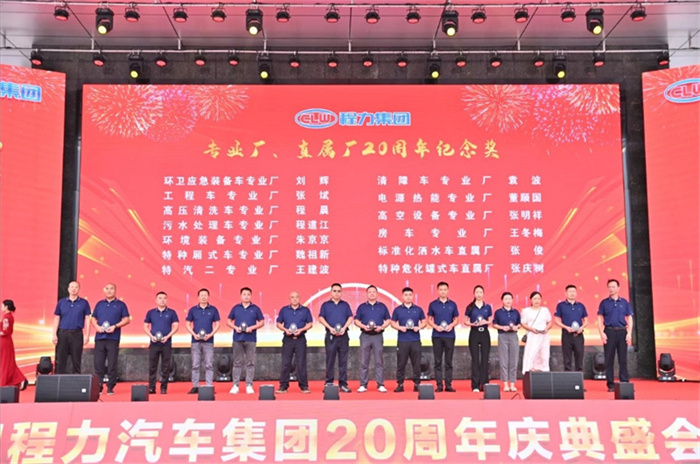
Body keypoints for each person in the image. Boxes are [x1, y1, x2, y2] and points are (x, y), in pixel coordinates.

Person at [91, 283, 131, 395]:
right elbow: (93, 318)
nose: (109, 291)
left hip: (113, 338)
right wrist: (97, 327)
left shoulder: (121, 304)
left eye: (111, 289)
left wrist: (115, 326)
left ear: (115, 290)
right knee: (98, 363)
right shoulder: (99, 304)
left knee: (112, 363)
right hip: (99, 338)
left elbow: (127, 319)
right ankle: (98, 386)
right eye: (107, 289)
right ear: (104, 290)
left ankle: (110, 386)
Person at [597, 279, 634, 392]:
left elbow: (629, 317)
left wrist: (629, 333)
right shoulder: (604, 303)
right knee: (609, 359)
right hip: (609, 332)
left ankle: (624, 382)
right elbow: (599, 318)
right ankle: (611, 384)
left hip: (622, 332)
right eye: (609, 287)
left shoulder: (624, 302)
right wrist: (602, 333)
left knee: (623, 359)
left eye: (613, 287)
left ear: (618, 288)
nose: (611, 289)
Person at [226, 287, 265, 395]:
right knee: (237, 362)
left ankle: (249, 385)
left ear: (251, 296)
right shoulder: (236, 308)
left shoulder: (255, 309)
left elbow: (262, 322)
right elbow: (228, 321)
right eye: (244, 294)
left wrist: (252, 328)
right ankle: (235, 385)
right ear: (241, 296)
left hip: (251, 339)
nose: (246, 296)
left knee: (250, 362)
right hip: (237, 338)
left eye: (248, 294)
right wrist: (235, 328)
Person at [354, 285, 391, 393]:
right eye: (370, 292)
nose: (372, 294)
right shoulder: (362, 307)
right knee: (364, 361)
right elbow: (356, 320)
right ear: (367, 294)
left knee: (379, 361)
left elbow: (388, 320)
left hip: (377, 336)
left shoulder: (382, 306)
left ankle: (380, 384)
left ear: (377, 293)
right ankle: (363, 385)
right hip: (365, 335)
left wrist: (382, 327)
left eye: (374, 292)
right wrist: (363, 326)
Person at [319, 283, 354, 393]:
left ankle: (343, 384)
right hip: (331, 336)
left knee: (343, 361)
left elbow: (350, 317)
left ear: (341, 293)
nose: (337, 293)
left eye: (339, 291)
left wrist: (344, 328)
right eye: (334, 291)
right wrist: (330, 328)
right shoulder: (325, 305)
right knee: (330, 360)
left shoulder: (345, 305)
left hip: (343, 336)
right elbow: (321, 318)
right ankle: (329, 383)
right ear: (331, 292)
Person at [391, 287, 426, 393]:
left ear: (413, 296)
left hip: (415, 340)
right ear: (402, 296)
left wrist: (419, 327)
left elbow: (424, 322)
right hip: (402, 340)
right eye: (406, 295)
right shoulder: (397, 310)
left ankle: (417, 384)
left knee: (416, 363)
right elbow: (392, 323)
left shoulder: (418, 309)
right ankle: (400, 384)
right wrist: (400, 328)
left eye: (410, 295)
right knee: (401, 364)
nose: (408, 297)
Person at [276, 291, 313, 393]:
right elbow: (278, 323)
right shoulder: (284, 310)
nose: (295, 299)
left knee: (301, 363)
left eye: (296, 297)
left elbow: (310, 324)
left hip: (300, 339)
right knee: (285, 363)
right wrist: (285, 330)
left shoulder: (305, 310)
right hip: (288, 339)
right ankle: (283, 386)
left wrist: (301, 330)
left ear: (299, 298)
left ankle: (304, 386)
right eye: (292, 297)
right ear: (289, 299)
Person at [185, 288, 220, 394]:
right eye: (201, 295)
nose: (203, 297)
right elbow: (187, 324)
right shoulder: (193, 310)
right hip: (195, 341)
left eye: (205, 295)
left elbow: (217, 324)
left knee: (209, 364)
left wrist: (210, 335)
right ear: (198, 297)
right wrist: (194, 334)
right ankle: (195, 386)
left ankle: (209, 386)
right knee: (195, 365)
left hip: (208, 341)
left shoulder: (213, 310)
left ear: (208, 297)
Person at [143, 291, 179, 394]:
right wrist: (151, 336)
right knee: (152, 366)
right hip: (154, 343)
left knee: (166, 367)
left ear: (167, 300)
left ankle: (164, 387)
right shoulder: (151, 312)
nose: (162, 300)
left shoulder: (172, 312)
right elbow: (145, 326)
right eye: (160, 298)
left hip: (166, 343)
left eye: (164, 298)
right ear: (156, 300)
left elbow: (176, 326)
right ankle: (151, 387)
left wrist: (168, 336)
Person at [53, 281, 91, 374]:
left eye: (76, 287)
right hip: (63, 333)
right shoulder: (61, 302)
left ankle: (76, 379)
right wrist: (54, 334)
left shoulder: (84, 303)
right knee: (61, 359)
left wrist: (87, 335)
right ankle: (59, 379)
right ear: (68, 289)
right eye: (72, 287)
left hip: (77, 334)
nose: (74, 289)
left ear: (79, 289)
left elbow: (87, 318)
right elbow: (57, 318)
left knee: (76, 359)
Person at [427, 281, 459, 392]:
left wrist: (451, 326)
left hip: (450, 335)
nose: (443, 291)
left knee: (449, 361)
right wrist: (436, 327)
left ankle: (448, 385)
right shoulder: (433, 304)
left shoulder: (453, 304)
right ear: (438, 290)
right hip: (437, 335)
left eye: (445, 289)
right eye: (441, 289)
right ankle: (439, 385)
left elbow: (456, 319)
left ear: (448, 290)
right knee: (438, 361)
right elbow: (429, 320)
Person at [464, 285, 493, 392]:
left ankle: (484, 384)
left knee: (485, 359)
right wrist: (472, 324)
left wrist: (486, 322)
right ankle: (475, 385)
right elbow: (465, 321)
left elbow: (490, 320)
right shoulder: (470, 307)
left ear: (483, 294)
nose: (479, 294)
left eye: (481, 292)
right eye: (477, 292)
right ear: (474, 294)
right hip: (474, 333)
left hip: (484, 333)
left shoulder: (487, 307)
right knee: (475, 360)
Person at [554, 285, 588, 372]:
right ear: (566, 293)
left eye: (574, 291)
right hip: (567, 335)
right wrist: (566, 327)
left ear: (576, 293)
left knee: (579, 357)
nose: (572, 293)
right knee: (567, 358)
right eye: (570, 291)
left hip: (578, 335)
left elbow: (586, 320)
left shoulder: (581, 306)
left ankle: (579, 377)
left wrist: (582, 327)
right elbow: (556, 320)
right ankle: (567, 378)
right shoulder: (561, 305)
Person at [492, 292, 521, 392]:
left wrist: (516, 327)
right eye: (506, 299)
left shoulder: (516, 312)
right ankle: (505, 384)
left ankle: (512, 384)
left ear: (512, 300)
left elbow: (519, 324)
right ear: (502, 300)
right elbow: (494, 324)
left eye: (510, 299)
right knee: (503, 360)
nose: (508, 301)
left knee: (514, 361)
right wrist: (502, 327)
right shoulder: (498, 312)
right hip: (502, 336)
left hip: (513, 336)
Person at [520, 291, 552, 374]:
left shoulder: (545, 310)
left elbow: (549, 322)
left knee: (544, 353)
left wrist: (547, 328)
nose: (537, 301)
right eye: (535, 299)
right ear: (531, 300)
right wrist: (531, 329)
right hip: (532, 335)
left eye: (538, 299)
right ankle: (528, 370)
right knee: (531, 352)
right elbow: (523, 323)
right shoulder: (526, 311)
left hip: (544, 335)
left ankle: (544, 370)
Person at [0, 300, 27, 390]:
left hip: (4, 342)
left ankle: (6, 382)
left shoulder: (6, 318)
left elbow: (5, 331)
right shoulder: (8, 316)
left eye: (2, 306)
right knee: (8, 362)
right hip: (6, 341)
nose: (1, 307)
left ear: (6, 307)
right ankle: (20, 379)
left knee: (5, 362)